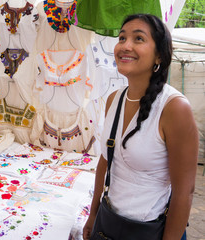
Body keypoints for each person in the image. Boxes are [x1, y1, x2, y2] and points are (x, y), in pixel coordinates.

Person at [83, 14, 198, 240]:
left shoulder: (174, 108)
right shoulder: (114, 99)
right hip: (109, 224)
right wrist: (93, 213)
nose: (125, 46)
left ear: (158, 56)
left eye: (138, 39)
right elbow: (105, 162)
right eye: (122, 37)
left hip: (149, 229)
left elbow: (184, 192)